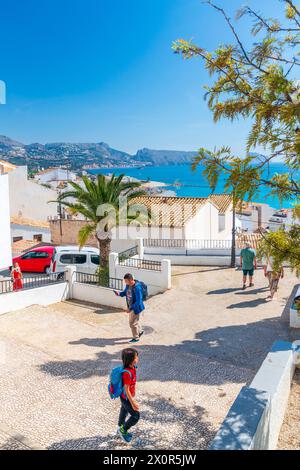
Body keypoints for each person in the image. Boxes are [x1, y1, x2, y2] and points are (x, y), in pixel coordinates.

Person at [117, 348, 140, 444]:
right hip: (126, 398)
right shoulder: (127, 373)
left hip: (124, 397)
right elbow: (126, 389)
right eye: (136, 357)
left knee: (124, 410)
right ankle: (123, 430)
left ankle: (120, 426)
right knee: (135, 416)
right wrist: (133, 402)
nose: (137, 358)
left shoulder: (132, 367)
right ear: (131, 360)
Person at [114, 273, 145, 343]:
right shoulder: (128, 285)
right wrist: (119, 293)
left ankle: (136, 338)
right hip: (131, 306)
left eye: (126, 281)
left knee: (132, 323)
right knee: (135, 321)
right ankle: (140, 331)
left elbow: (138, 301)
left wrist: (130, 308)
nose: (125, 282)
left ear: (131, 280)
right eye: (125, 281)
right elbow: (125, 293)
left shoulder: (137, 288)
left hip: (136, 308)